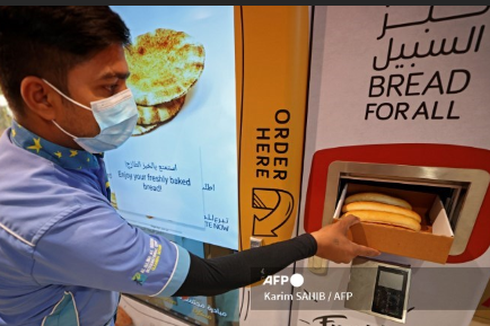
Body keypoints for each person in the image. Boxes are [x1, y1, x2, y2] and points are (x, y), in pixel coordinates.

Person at [0, 6, 380, 326]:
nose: (130, 101)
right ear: (41, 97)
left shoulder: (21, 150)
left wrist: (109, 306)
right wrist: (313, 242)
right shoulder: (59, 220)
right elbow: (209, 276)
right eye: (110, 86)